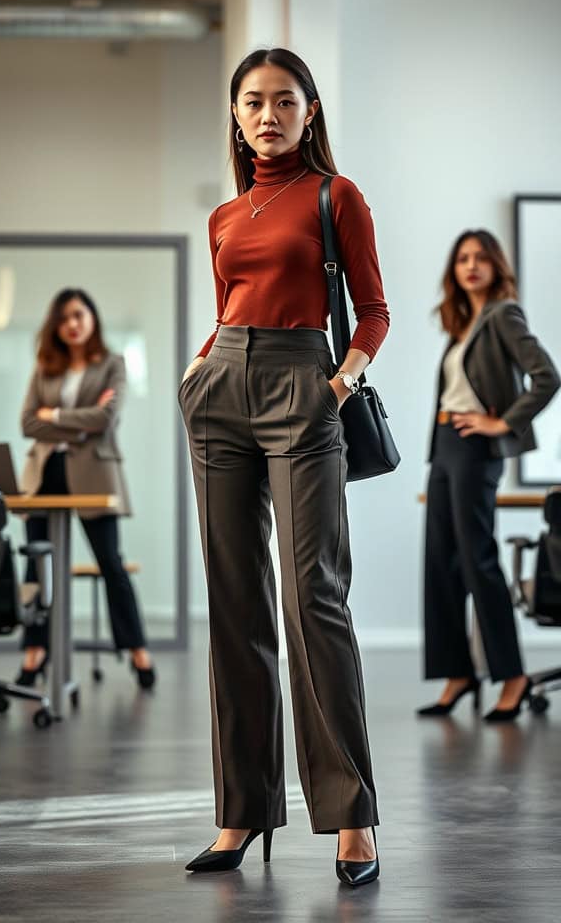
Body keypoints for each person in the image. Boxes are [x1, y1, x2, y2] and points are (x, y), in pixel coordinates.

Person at [179, 48, 390, 887]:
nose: (268, 115)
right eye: (253, 102)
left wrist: (338, 383)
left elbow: (372, 310)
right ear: (236, 115)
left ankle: (352, 819)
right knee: (234, 607)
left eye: (284, 101)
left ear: (310, 112)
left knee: (315, 603)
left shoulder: (337, 196)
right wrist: (202, 369)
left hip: (307, 388)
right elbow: (231, 304)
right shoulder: (227, 216)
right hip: (222, 390)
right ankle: (242, 811)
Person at [419, 230, 559, 722]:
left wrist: (502, 423)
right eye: (462, 259)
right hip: (444, 447)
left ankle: (512, 676)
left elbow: (547, 374)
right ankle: (458, 674)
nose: (471, 266)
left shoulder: (503, 315)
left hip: (476, 448)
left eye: (481, 258)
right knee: (440, 561)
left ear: (497, 266)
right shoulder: (462, 324)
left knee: (478, 560)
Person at [17, 288, 155, 690]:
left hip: (95, 473)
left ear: (91, 318)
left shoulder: (112, 364)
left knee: (110, 562)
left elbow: (106, 419)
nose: (72, 324)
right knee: (36, 565)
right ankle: (35, 653)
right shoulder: (46, 366)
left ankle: (137, 650)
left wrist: (55, 415)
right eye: (63, 319)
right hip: (45, 472)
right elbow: (28, 423)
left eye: (78, 315)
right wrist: (81, 423)